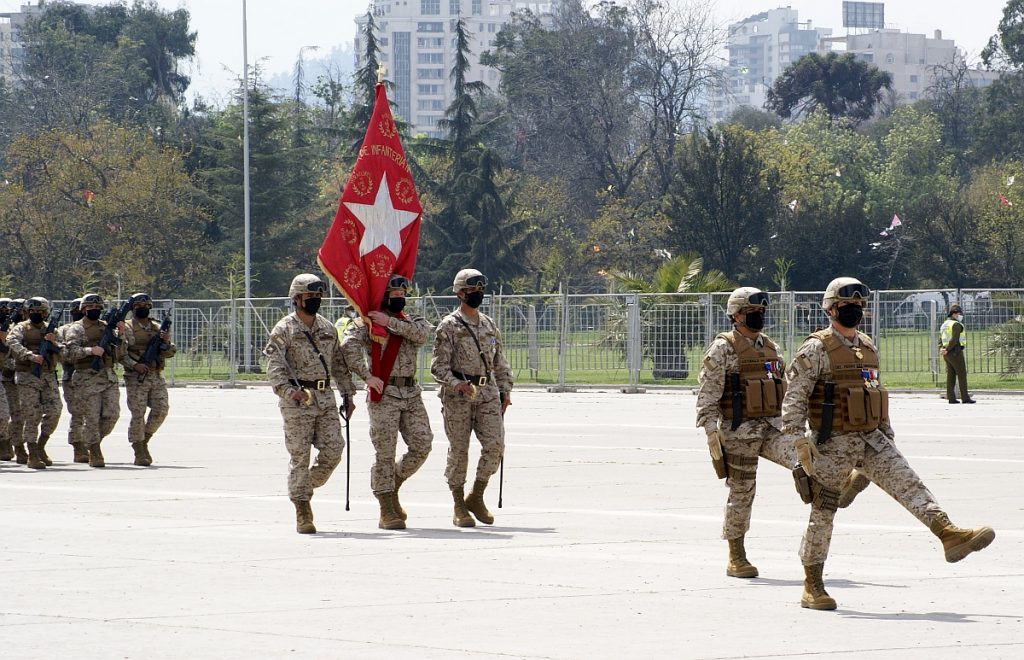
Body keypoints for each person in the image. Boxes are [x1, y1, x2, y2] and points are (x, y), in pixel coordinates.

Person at [782, 277, 995, 611]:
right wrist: (798, 442)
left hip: (871, 437)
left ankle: (948, 534)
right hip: (832, 442)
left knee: (909, 482)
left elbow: (876, 393)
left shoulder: (867, 346)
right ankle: (813, 584)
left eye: (859, 305)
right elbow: (794, 397)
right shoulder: (816, 348)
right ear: (831, 309)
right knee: (823, 512)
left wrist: (887, 434)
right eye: (847, 305)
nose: (855, 309)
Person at [696, 287, 797, 578]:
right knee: (742, 491)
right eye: (753, 311)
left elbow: (784, 387)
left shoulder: (771, 347)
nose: (759, 315)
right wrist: (710, 432)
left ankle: (842, 489)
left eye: (762, 311)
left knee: (804, 462)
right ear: (736, 315)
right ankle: (736, 555)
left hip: (772, 427)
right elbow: (708, 394)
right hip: (738, 431)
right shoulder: (722, 348)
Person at [264, 274, 357, 534]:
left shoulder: (327, 328)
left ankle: (303, 486)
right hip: (298, 401)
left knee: (334, 450)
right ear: (296, 299)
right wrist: (288, 391)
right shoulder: (284, 329)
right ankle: (302, 507)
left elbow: (338, 365)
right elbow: (274, 368)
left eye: (318, 296)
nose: (315, 299)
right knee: (300, 456)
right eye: (310, 296)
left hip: (325, 398)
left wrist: (348, 395)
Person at [341, 276, 432, 530]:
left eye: (403, 293)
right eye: (394, 293)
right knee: (385, 452)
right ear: (384, 296)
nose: (400, 297)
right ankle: (385, 508)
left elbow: (421, 335)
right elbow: (348, 346)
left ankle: (394, 482)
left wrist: (390, 322)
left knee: (422, 445)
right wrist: (366, 376)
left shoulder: (411, 320)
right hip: (385, 393)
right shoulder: (367, 322)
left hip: (410, 393)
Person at [430, 268, 513, 527]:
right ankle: (458, 503)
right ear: (460, 293)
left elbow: (499, 361)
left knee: (495, 445)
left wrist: (505, 389)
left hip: (487, 393)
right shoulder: (449, 326)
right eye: (472, 290)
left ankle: (476, 495)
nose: (478, 293)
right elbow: (438, 367)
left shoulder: (489, 324)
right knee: (459, 450)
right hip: (458, 396)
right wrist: (456, 384)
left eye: (481, 289)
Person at [63, 293, 123, 468]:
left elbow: (120, 352)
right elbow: (69, 353)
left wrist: (122, 334)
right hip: (86, 377)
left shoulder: (106, 327)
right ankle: (94, 450)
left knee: (112, 414)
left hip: (108, 376)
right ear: (83, 310)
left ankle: (90, 441)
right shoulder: (76, 329)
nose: (94, 310)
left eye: (97, 307)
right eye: (90, 307)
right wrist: (90, 351)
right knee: (91, 417)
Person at [120, 293, 176, 466]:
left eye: (145, 306)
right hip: (136, 376)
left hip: (155, 374)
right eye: (138, 306)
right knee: (138, 413)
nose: (142, 308)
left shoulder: (157, 327)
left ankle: (145, 439)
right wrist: (134, 365)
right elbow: (120, 354)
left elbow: (170, 352)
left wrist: (166, 342)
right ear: (133, 308)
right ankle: (138, 448)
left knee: (161, 409)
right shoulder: (126, 327)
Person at [6, 297, 63, 469]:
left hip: (48, 376)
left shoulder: (52, 330)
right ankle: (32, 453)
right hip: (27, 376)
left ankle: (40, 445)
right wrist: (30, 355)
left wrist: (54, 342)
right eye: (32, 311)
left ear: (46, 313)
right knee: (32, 414)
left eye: (40, 311)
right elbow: (11, 342)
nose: (36, 314)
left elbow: (65, 351)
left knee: (55, 410)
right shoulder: (21, 328)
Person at [56, 299, 88, 462]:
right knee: (78, 413)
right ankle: (78, 445)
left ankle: (89, 443)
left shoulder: (94, 328)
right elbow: (63, 354)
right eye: (75, 310)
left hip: (92, 376)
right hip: (72, 376)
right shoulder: (63, 331)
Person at [2, 299, 26, 463]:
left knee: (19, 415)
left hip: (20, 377)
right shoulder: (7, 330)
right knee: (7, 414)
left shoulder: (23, 330)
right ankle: (6, 442)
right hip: (7, 378)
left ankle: (13, 444)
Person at [940, 304, 974, 404]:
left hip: (946, 353)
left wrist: (942, 349)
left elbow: (941, 338)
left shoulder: (945, 324)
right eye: (959, 313)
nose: (960, 315)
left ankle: (951, 398)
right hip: (955, 352)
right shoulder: (956, 325)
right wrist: (947, 349)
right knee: (961, 374)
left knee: (950, 375)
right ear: (954, 314)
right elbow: (954, 339)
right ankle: (965, 397)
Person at [0, 298, 13, 462]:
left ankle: (3, 440)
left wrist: (3, 341)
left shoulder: (11, 330)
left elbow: (9, 355)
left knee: (3, 414)